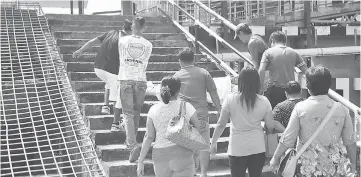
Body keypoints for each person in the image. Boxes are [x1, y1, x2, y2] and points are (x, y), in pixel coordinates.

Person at [270, 66, 357, 177]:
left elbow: (288, 138)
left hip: (308, 169)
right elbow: (350, 141)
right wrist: (353, 165)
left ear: (307, 85)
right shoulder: (342, 109)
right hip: (335, 169)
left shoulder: (300, 108)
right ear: (329, 85)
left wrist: (275, 158)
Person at [210, 67, 285, 177]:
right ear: (257, 82)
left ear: (240, 81)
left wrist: (213, 142)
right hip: (257, 147)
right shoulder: (263, 101)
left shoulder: (230, 99)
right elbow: (270, 125)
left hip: (237, 147)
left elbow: (221, 124)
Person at [137, 76, 203, 177]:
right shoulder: (186, 106)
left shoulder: (153, 110)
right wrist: (197, 153)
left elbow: (149, 137)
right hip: (183, 154)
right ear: (179, 91)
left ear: (161, 89)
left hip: (160, 156)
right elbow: (198, 129)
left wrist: (141, 161)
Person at [173, 48, 222, 177]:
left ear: (180, 61)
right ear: (193, 59)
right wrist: (219, 110)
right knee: (204, 146)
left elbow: (172, 98)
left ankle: (191, 172)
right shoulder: (204, 73)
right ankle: (204, 173)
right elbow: (214, 93)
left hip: (184, 117)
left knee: (186, 147)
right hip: (201, 116)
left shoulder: (176, 76)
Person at [73, 19, 132, 115]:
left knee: (109, 82)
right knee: (116, 96)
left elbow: (92, 41)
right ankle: (116, 123)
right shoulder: (126, 40)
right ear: (132, 30)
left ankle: (105, 106)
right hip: (111, 70)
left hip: (98, 68)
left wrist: (80, 50)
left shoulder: (111, 32)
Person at [117, 16, 153, 149]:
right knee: (136, 112)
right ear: (144, 28)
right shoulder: (149, 45)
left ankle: (131, 143)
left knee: (127, 113)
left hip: (126, 78)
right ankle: (132, 140)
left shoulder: (122, 40)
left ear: (132, 26)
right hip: (141, 80)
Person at [258, 31, 308, 108]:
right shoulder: (293, 52)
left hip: (274, 90)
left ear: (273, 41)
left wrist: (260, 88)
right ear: (285, 41)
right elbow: (306, 71)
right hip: (291, 91)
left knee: (273, 115)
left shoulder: (268, 52)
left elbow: (261, 70)